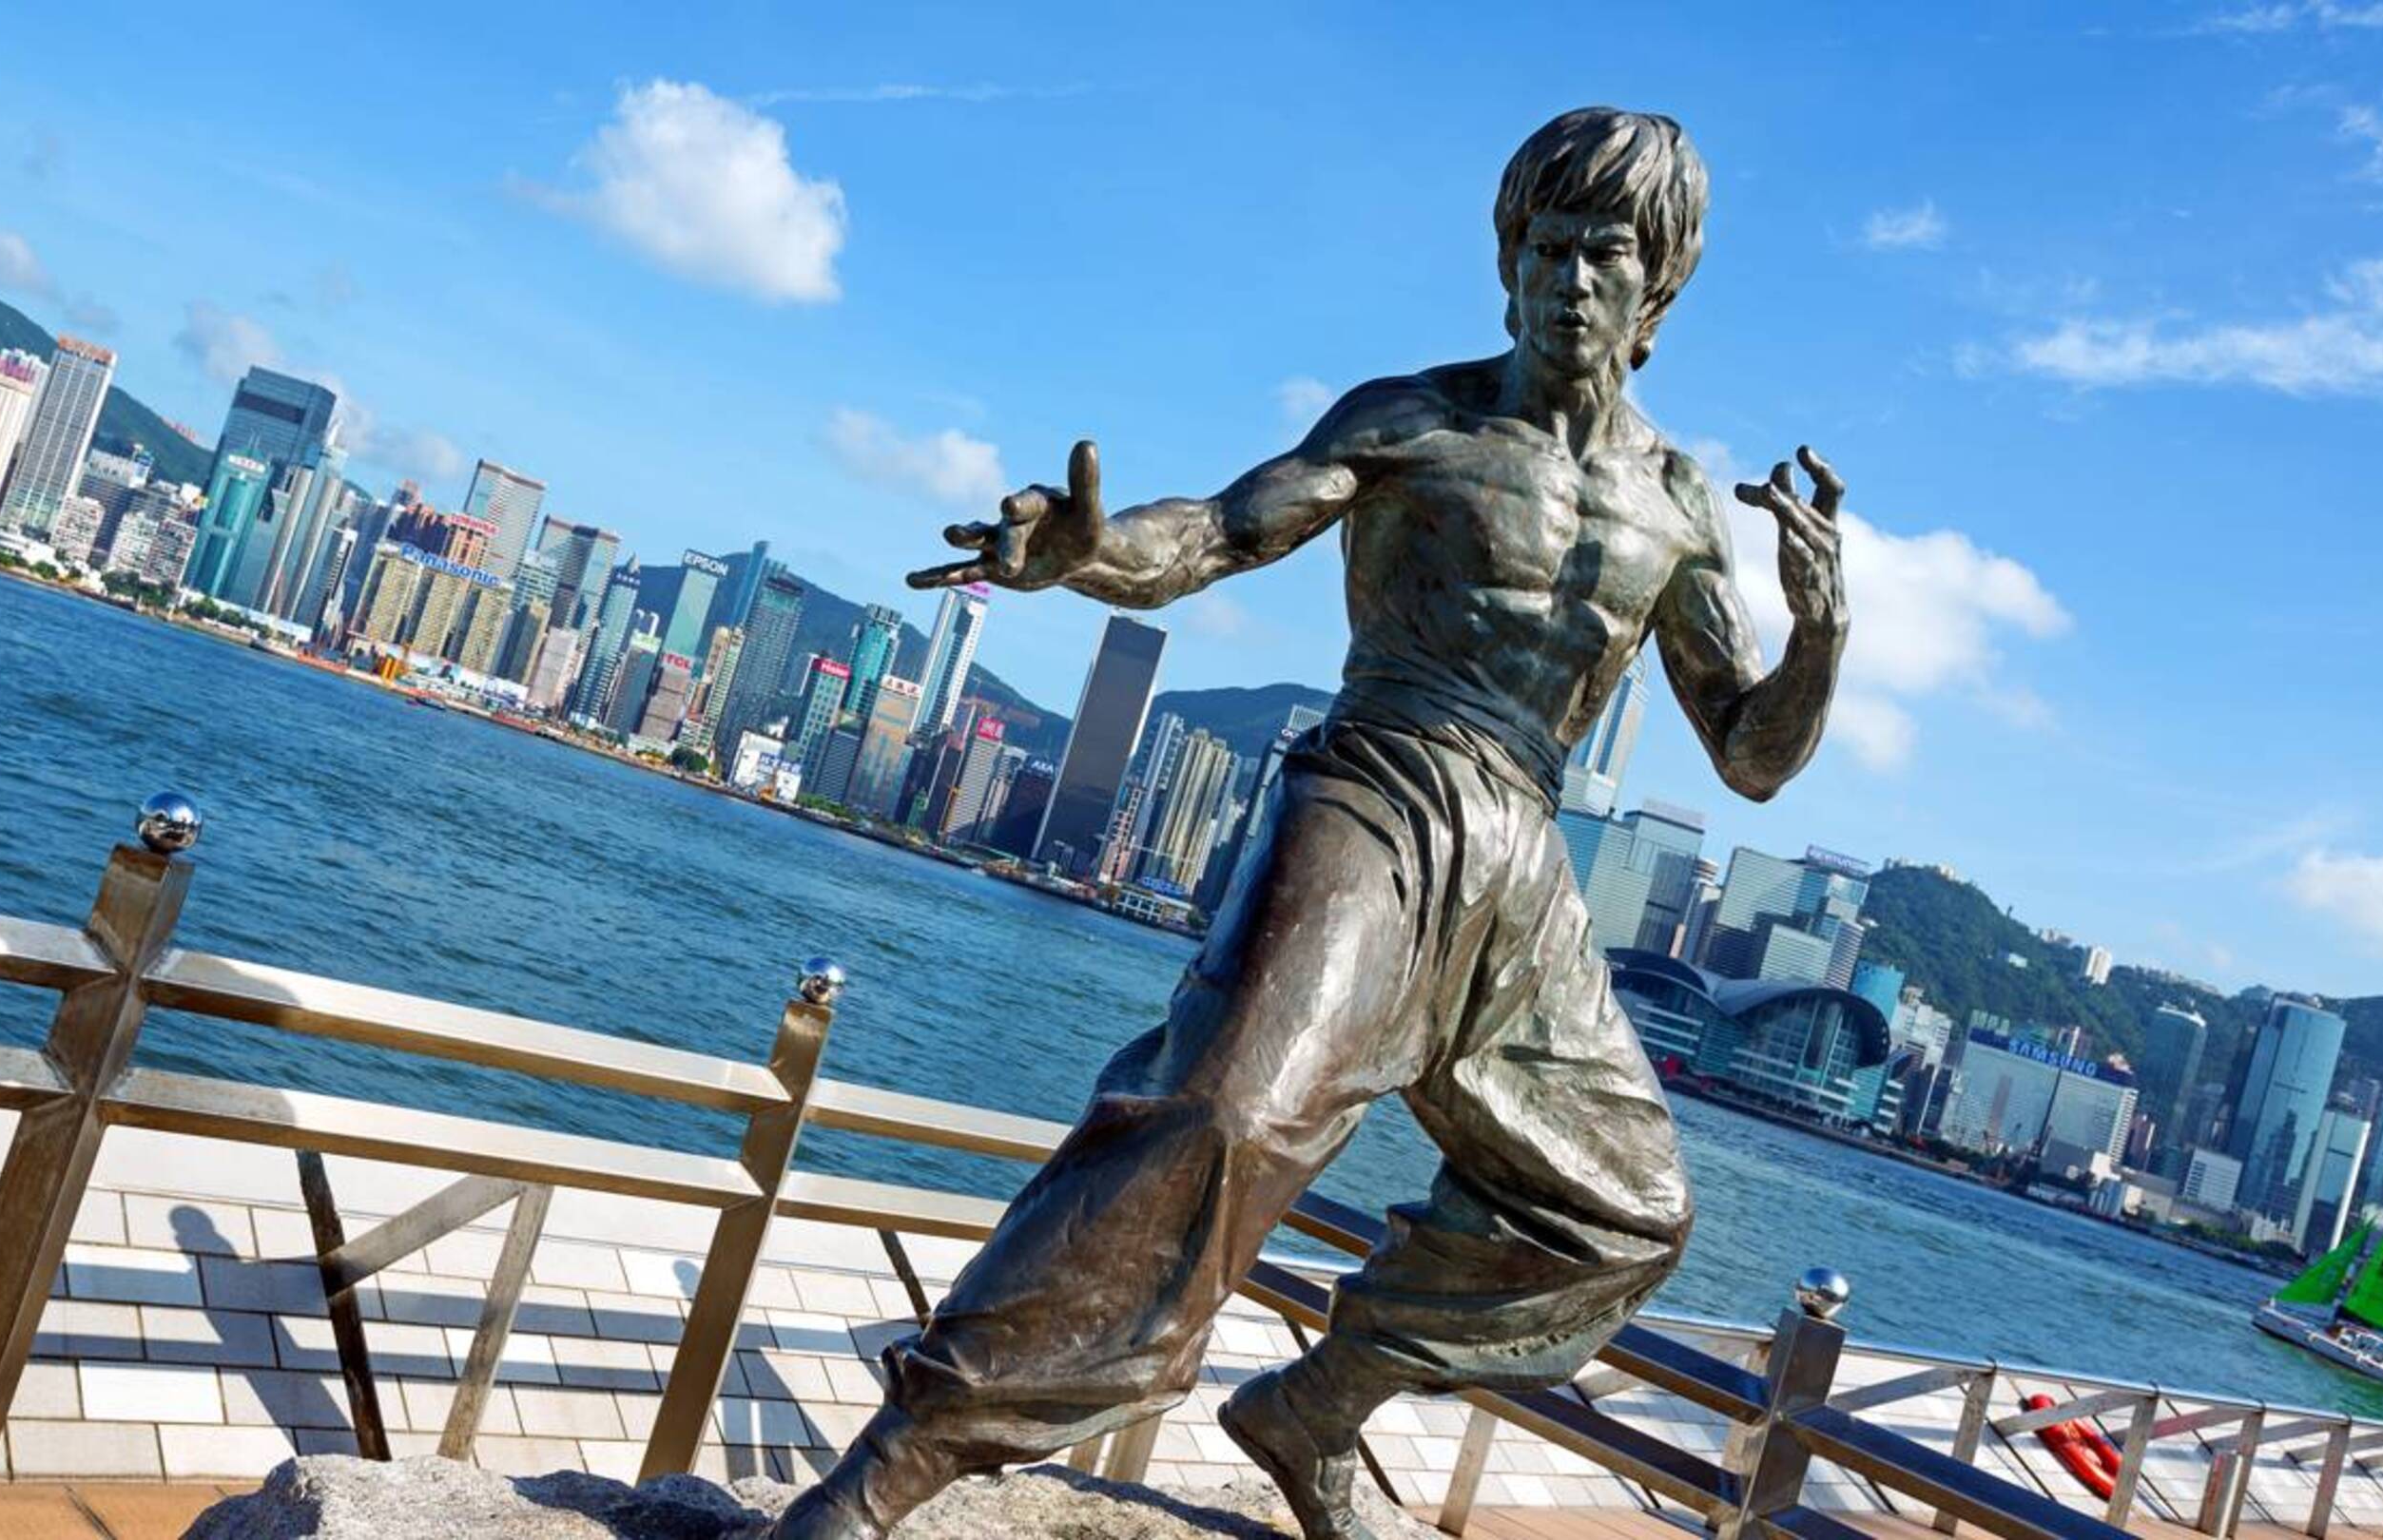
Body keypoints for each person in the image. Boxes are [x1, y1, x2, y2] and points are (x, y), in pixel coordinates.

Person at [773, 106, 1850, 1540]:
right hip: (1379, 792)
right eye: (1545, 248)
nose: (1570, 281)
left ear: (1658, 287)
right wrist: (1090, 555)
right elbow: (1222, 530)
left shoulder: (1680, 505)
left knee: (1621, 1211)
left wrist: (1822, 631)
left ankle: (1318, 1406)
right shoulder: (1413, 419)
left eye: (1604, 254)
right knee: (1222, 1116)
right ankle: (882, 1479)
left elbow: (1752, 758)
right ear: (1508, 262)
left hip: (1522, 861)